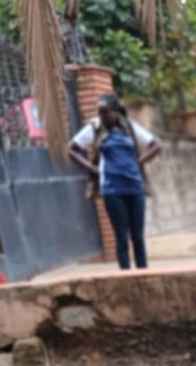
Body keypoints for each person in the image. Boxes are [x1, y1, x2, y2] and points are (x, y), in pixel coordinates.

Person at [69, 93, 161, 270]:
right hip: (112, 189)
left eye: (106, 112)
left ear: (116, 112)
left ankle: (143, 274)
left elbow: (156, 146)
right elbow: (71, 150)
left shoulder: (130, 128)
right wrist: (93, 169)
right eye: (100, 112)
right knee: (121, 236)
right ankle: (125, 275)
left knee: (138, 236)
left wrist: (138, 162)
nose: (102, 116)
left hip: (135, 187)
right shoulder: (94, 129)